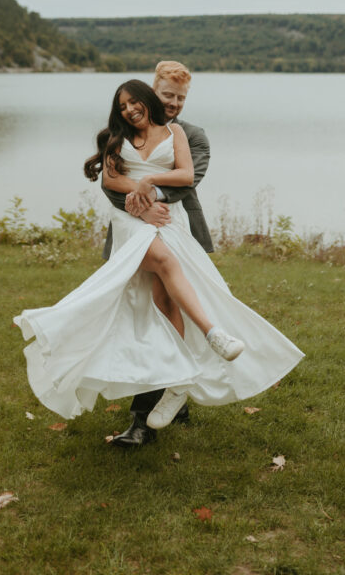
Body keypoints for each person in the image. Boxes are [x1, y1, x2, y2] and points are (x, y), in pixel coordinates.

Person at [13, 79, 304, 435]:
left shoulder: (179, 133)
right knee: (165, 265)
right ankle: (213, 334)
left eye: (134, 103)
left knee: (164, 301)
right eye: (123, 106)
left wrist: (149, 181)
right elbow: (110, 181)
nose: (130, 110)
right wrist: (139, 195)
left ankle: (178, 379)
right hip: (130, 222)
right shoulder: (115, 137)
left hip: (170, 221)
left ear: (147, 100)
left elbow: (187, 175)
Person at [102, 60, 213, 446]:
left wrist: (152, 197)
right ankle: (146, 414)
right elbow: (109, 183)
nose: (174, 103)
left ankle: (156, 409)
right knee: (141, 316)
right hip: (135, 231)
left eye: (181, 98)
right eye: (168, 95)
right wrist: (141, 206)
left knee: (169, 311)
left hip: (178, 229)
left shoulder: (191, 135)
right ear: (153, 90)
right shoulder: (125, 133)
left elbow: (187, 181)